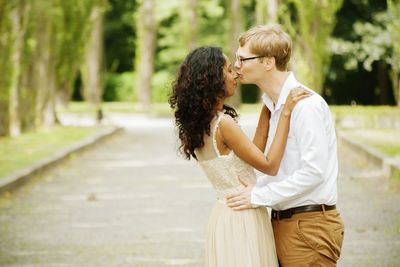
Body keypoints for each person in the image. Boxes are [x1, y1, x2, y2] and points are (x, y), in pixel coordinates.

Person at [169, 46, 309, 267]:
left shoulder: (203, 123)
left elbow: (251, 154)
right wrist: (286, 113)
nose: (234, 73)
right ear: (212, 79)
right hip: (242, 217)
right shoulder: (224, 123)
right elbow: (269, 165)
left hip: (224, 216)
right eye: (227, 69)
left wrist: (269, 105)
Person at [226, 24, 345, 266]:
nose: (236, 66)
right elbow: (280, 168)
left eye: (242, 59)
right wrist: (251, 186)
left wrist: (258, 195)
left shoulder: (306, 105)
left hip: (308, 227)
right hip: (280, 223)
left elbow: (314, 172)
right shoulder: (273, 106)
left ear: (268, 62)